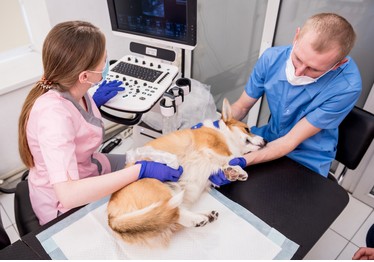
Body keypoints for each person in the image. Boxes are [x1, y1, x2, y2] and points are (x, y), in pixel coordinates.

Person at [18, 21, 183, 226]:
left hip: (87, 165)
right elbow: (68, 194)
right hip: (63, 205)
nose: (106, 66)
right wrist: (139, 171)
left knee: (149, 156)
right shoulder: (53, 117)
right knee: (139, 202)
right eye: (104, 62)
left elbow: (75, 122)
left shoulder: (73, 89)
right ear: (84, 76)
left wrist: (91, 104)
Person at [209, 13, 362, 186]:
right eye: (297, 59)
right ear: (296, 36)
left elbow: (290, 141)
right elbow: (242, 106)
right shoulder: (272, 59)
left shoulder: (346, 87)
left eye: (313, 69)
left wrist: (241, 161)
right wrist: (214, 131)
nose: (298, 72)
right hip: (269, 136)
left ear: (338, 65)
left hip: (307, 156)